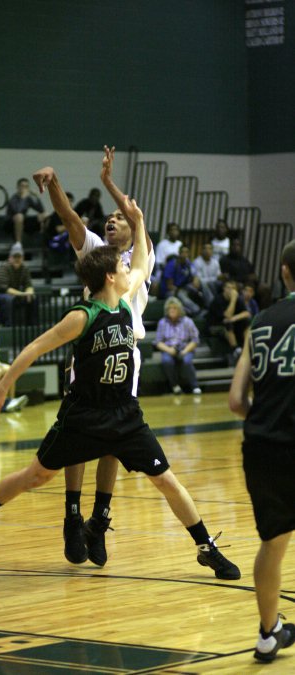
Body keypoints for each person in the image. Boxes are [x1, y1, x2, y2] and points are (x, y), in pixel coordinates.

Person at [0, 197, 240, 585]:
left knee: (166, 479)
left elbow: (140, 263)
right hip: (83, 415)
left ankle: (206, 546)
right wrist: (4, 385)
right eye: (120, 267)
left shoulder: (123, 300)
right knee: (37, 475)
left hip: (125, 413)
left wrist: (139, 220)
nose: (127, 269)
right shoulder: (82, 316)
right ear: (108, 276)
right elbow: (34, 348)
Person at [32, 147, 154, 568]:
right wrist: (55, 183)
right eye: (110, 217)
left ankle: (99, 519)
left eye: (119, 217)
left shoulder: (141, 257)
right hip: (91, 350)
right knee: (82, 436)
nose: (113, 219)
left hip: (126, 354)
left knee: (114, 443)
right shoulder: (96, 252)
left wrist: (109, 185)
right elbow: (69, 218)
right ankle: (72, 515)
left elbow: (138, 221)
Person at [229, 239, 295, 663]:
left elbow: (236, 400)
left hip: (264, 447)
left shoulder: (260, 322)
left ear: (285, 273)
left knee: (273, 543)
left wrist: (267, 416)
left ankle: (268, 634)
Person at [155, 297, 201, 395]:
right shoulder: (162, 322)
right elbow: (158, 342)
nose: (171, 310)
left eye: (174, 308)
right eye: (169, 308)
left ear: (180, 310)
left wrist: (185, 351)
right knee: (167, 361)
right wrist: (169, 350)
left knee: (187, 361)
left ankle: (195, 386)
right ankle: (175, 386)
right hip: (169, 349)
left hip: (185, 348)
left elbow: (195, 340)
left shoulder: (188, 321)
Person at [0, 243, 37, 326]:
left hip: (15, 293)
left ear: (22, 258)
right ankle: (8, 325)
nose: (17, 259)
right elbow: (4, 288)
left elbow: (28, 284)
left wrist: (29, 293)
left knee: (33, 298)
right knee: (9, 299)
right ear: (10, 258)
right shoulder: (4, 268)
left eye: (19, 257)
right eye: (14, 257)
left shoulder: (24, 268)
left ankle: (32, 325)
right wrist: (23, 294)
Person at [208, 280, 251, 364]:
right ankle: (236, 349)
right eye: (228, 288)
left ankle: (247, 348)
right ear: (224, 289)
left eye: (233, 288)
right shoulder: (218, 300)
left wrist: (234, 318)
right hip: (215, 326)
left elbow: (246, 313)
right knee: (228, 324)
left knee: (246, 322)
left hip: (231, 322)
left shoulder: (238, 299)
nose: (231, 290)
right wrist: (233, 300)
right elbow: (227, 315)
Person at [159, 244, 205, 317]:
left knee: (199, 287)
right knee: (182, 294)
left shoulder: (188, 264)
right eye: (182, 252)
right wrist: (182, 290)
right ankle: (197, 311)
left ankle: (205, 307)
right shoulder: (172, 265)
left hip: (181, 287)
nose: (184, 254)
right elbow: (169, 286)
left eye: (186, 252)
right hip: (169, 291)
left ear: (189, 254)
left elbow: (195, 274)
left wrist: (196, 279)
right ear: (179, 253)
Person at [5, 178, 48, 243]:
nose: (24, 188)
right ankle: (18, 243)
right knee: (19, 216)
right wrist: (23, 198)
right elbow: (17, 211)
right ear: (18, 187)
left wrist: (36, 197)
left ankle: (43, 240)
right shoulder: (13, 198)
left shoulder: (28, 198)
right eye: (22, 186)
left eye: (26, 186)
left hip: (23, 221)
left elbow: (41, 210)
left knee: (45, 215)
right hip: (11, 223)